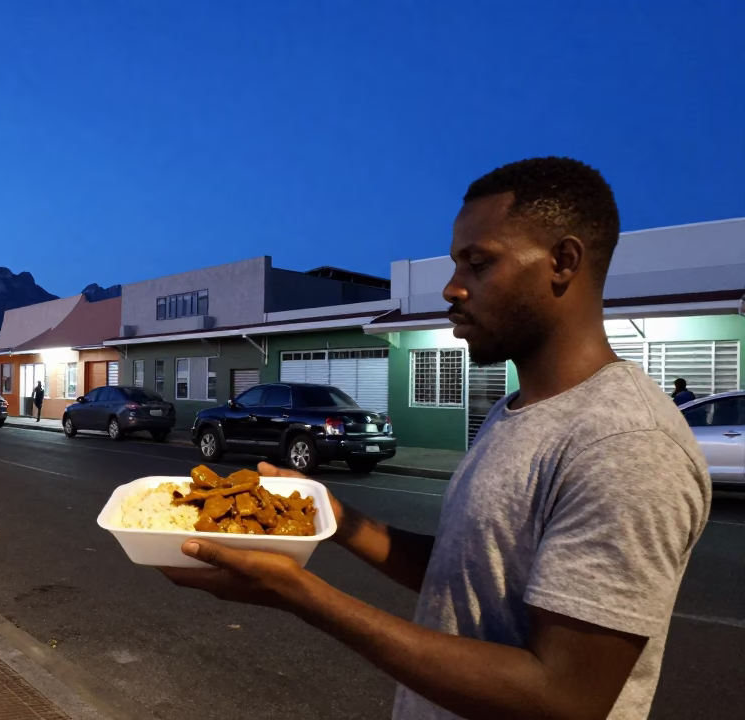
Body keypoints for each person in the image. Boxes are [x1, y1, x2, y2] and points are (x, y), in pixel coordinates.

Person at [163, 157, 710, 720]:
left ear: (562, 262)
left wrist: (299, 594)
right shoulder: (512, 411)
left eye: (478, 264)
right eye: (456, 264)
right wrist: (335, 519)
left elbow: (565, 697)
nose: (452, 288)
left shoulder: (626, 444)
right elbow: (470, 573)